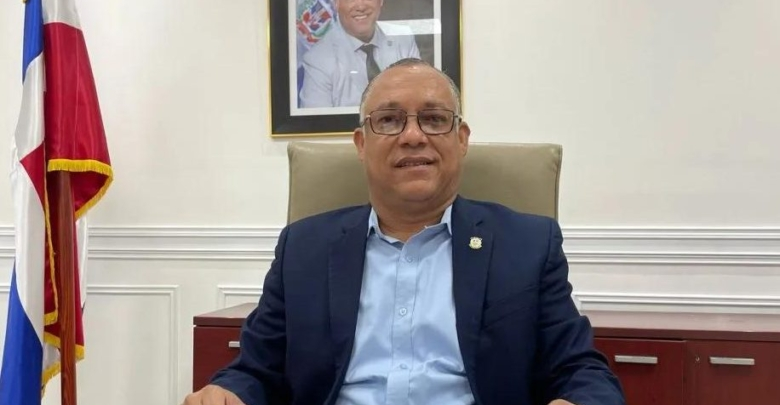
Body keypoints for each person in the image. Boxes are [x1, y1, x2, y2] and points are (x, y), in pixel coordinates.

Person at [182, 59, 625, 405]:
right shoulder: (304, 247)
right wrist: (227, 393)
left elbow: (583, 373)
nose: (413, 136)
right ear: (361, 144)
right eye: (389, 120)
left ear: (462, 139)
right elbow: (256, 370)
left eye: (433, 119)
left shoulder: (527, 244)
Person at [298, 0, 420, 108]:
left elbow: (420, 100)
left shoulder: (403, 38)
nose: (361, 7)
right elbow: (317, 123)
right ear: (336, 4)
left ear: (381, 1)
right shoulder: (317, 60)